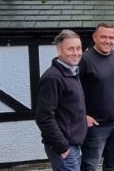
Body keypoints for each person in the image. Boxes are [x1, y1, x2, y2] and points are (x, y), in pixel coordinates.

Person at [79, 22, 114, 171]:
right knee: (89, 165)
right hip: (95, 125)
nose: (108, 41)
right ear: (95, 37)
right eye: (104, 37)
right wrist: (83, 115)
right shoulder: (84, 59)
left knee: (113, 164)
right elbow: (74, 91)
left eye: (111, 37)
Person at [35, 30, 87, 171]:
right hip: (64, 148)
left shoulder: (71, 72)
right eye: (70, 49)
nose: (76, 53)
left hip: (73, 145)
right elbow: (44, 117)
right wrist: (62, 147)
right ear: (59, 50)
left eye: (78, 48)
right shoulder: (53, 78)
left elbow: (67, 108)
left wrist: (83, 118)